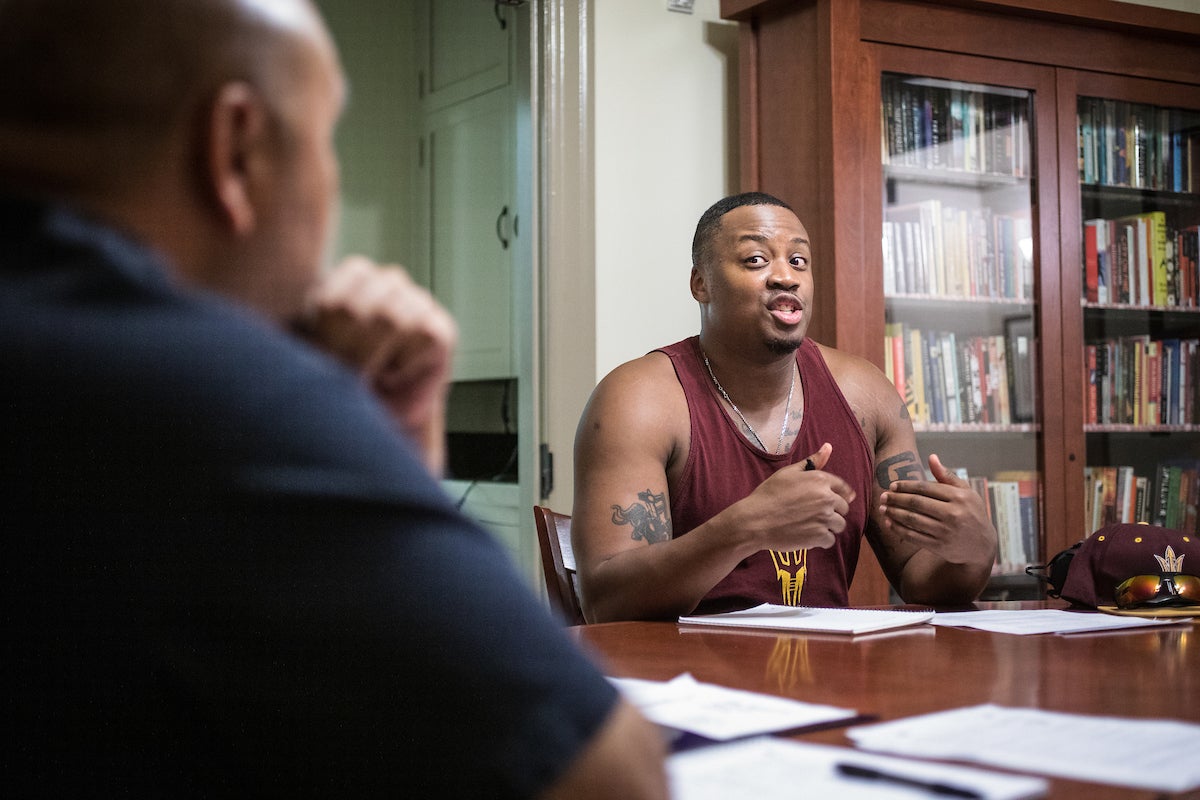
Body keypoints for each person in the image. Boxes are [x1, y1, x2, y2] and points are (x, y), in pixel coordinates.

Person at [0, 1, 668, 797]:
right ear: (236, 149)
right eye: (325, 144)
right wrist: (341, 440)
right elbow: (614, 778)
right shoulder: (232, 406)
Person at [572, 192, 998, 623]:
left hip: (833, 678)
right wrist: (743, 529)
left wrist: (973, 553)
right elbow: (606, 603)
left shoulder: (866, 395)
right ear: (701, 283)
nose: (785, 277)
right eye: (756, 260)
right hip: (686, 679)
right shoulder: (638, 400)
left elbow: (918, 576)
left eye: (798, 261)